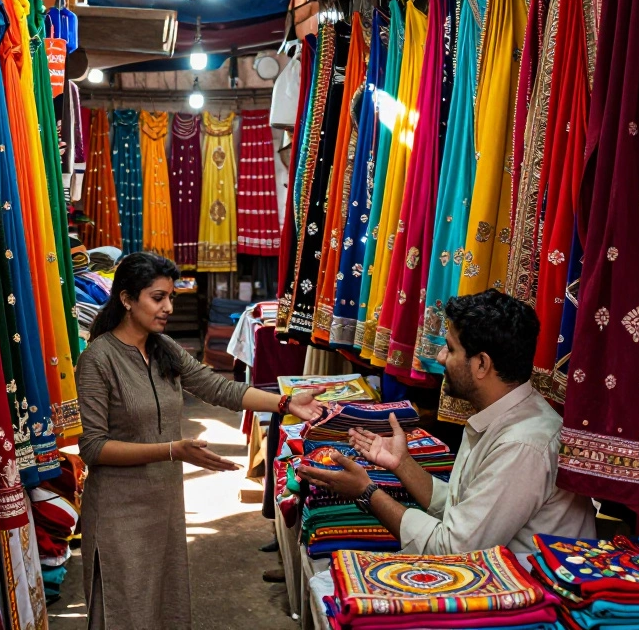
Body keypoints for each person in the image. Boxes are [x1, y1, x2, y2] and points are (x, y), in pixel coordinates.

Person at [75, 252, 324, 630]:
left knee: (164, 606)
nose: (168, 307)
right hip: (118, 513)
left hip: (165, 504)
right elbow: (94, 447)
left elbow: (218, 387)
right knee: (125, 610)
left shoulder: (163, 348)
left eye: (170, 298)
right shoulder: (98, 359)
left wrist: (286, 403)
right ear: (126, 299)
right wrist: (173, 450)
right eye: (158, 298)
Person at [298, 290, 595, 554]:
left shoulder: (523, 444)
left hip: (530, 599)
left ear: (481, 364)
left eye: (450, 349)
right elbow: (461, 511)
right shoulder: (503, 417)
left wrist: (367, 493)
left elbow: (454, 548)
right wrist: (402, 464)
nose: (440, 357)